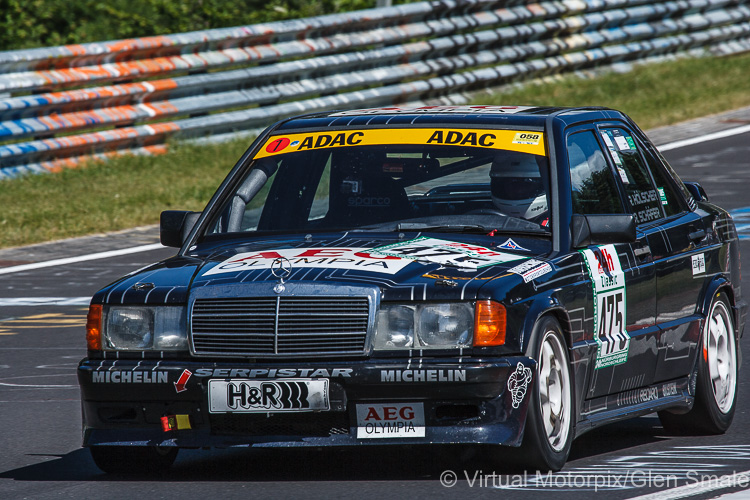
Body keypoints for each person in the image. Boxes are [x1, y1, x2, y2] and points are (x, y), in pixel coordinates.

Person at [490, 151, 548, 222]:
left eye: (526, 184)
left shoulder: (558, 225)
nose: (519, 190)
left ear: (542, 186)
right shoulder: (487, 219)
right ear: (500, 187)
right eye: (512, 183)